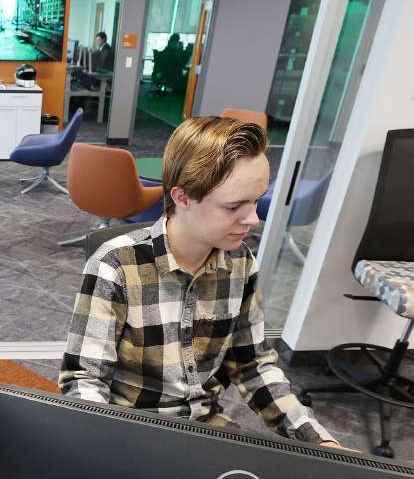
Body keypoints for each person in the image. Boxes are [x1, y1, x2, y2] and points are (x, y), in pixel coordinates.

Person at [59, 116, 345, 449]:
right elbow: (85, 380)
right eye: (234, 206)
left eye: (257, 200)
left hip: (205, 428)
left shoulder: (240, 263)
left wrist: (318, 439)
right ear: (182, 198)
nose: (253, 219)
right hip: (129, 431)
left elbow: (253, 365)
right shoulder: (117, 265)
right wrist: (107, 449)